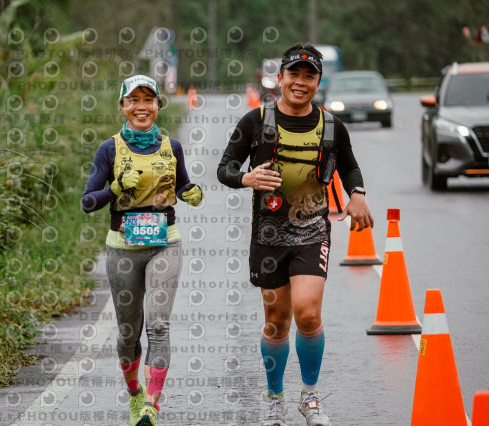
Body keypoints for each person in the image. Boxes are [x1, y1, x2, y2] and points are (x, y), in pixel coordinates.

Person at [217, 43, 374, 426]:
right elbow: (225, 167)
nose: (301, 82)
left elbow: (350, 167)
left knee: (307, 311)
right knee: (276, 320)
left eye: (309, 76)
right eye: (294, 74)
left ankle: (309, 397)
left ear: (318, 82)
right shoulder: (255, 121)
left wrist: (357, 194)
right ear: (281, 78)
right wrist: (246, 178)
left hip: (311, 232)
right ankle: (275, 399)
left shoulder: (332, 126)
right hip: (268, 237)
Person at [81, 75, 203, 426]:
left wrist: (192, 193)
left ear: (157, 105)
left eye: (148, 99)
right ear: (123, 106)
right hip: (123, 248)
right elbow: (88, 202)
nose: (141, 106)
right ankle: (135, 394)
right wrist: (116, 187)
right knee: (128, 331)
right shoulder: (109, 149)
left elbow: (184, 185)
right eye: (133, 99)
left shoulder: (172, 147)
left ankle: (151, 404)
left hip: (165, 244)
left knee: (159, 325)